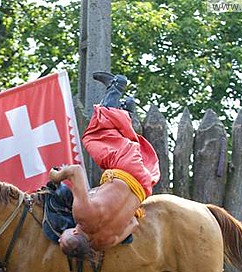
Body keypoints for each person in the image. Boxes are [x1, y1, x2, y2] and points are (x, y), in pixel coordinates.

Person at [49, 72, 160, 256]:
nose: (60, 237)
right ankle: (115, 87)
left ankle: (127, 111)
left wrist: (125, 209)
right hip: (125, 168)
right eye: (62, 238)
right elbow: (76, 171)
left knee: (117, 138)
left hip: (143, 186)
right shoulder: (82, 217)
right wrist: (57, 176)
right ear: (75, 232)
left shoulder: (104, 243)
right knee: (95, 136)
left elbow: (133, 223)